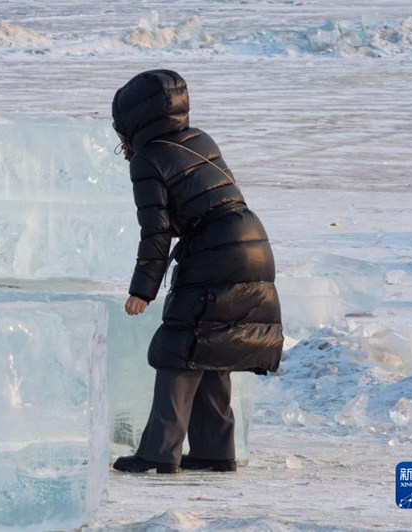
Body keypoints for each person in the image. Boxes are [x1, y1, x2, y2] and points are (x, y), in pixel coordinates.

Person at [110, 70, 283, 474]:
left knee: (179, 349)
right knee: (211, 346)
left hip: (215, 248)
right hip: (252, 240)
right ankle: (214, 451)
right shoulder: (200, 139)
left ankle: (157, 454)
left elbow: (156, 230)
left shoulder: (148, 158)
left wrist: (143, 290)